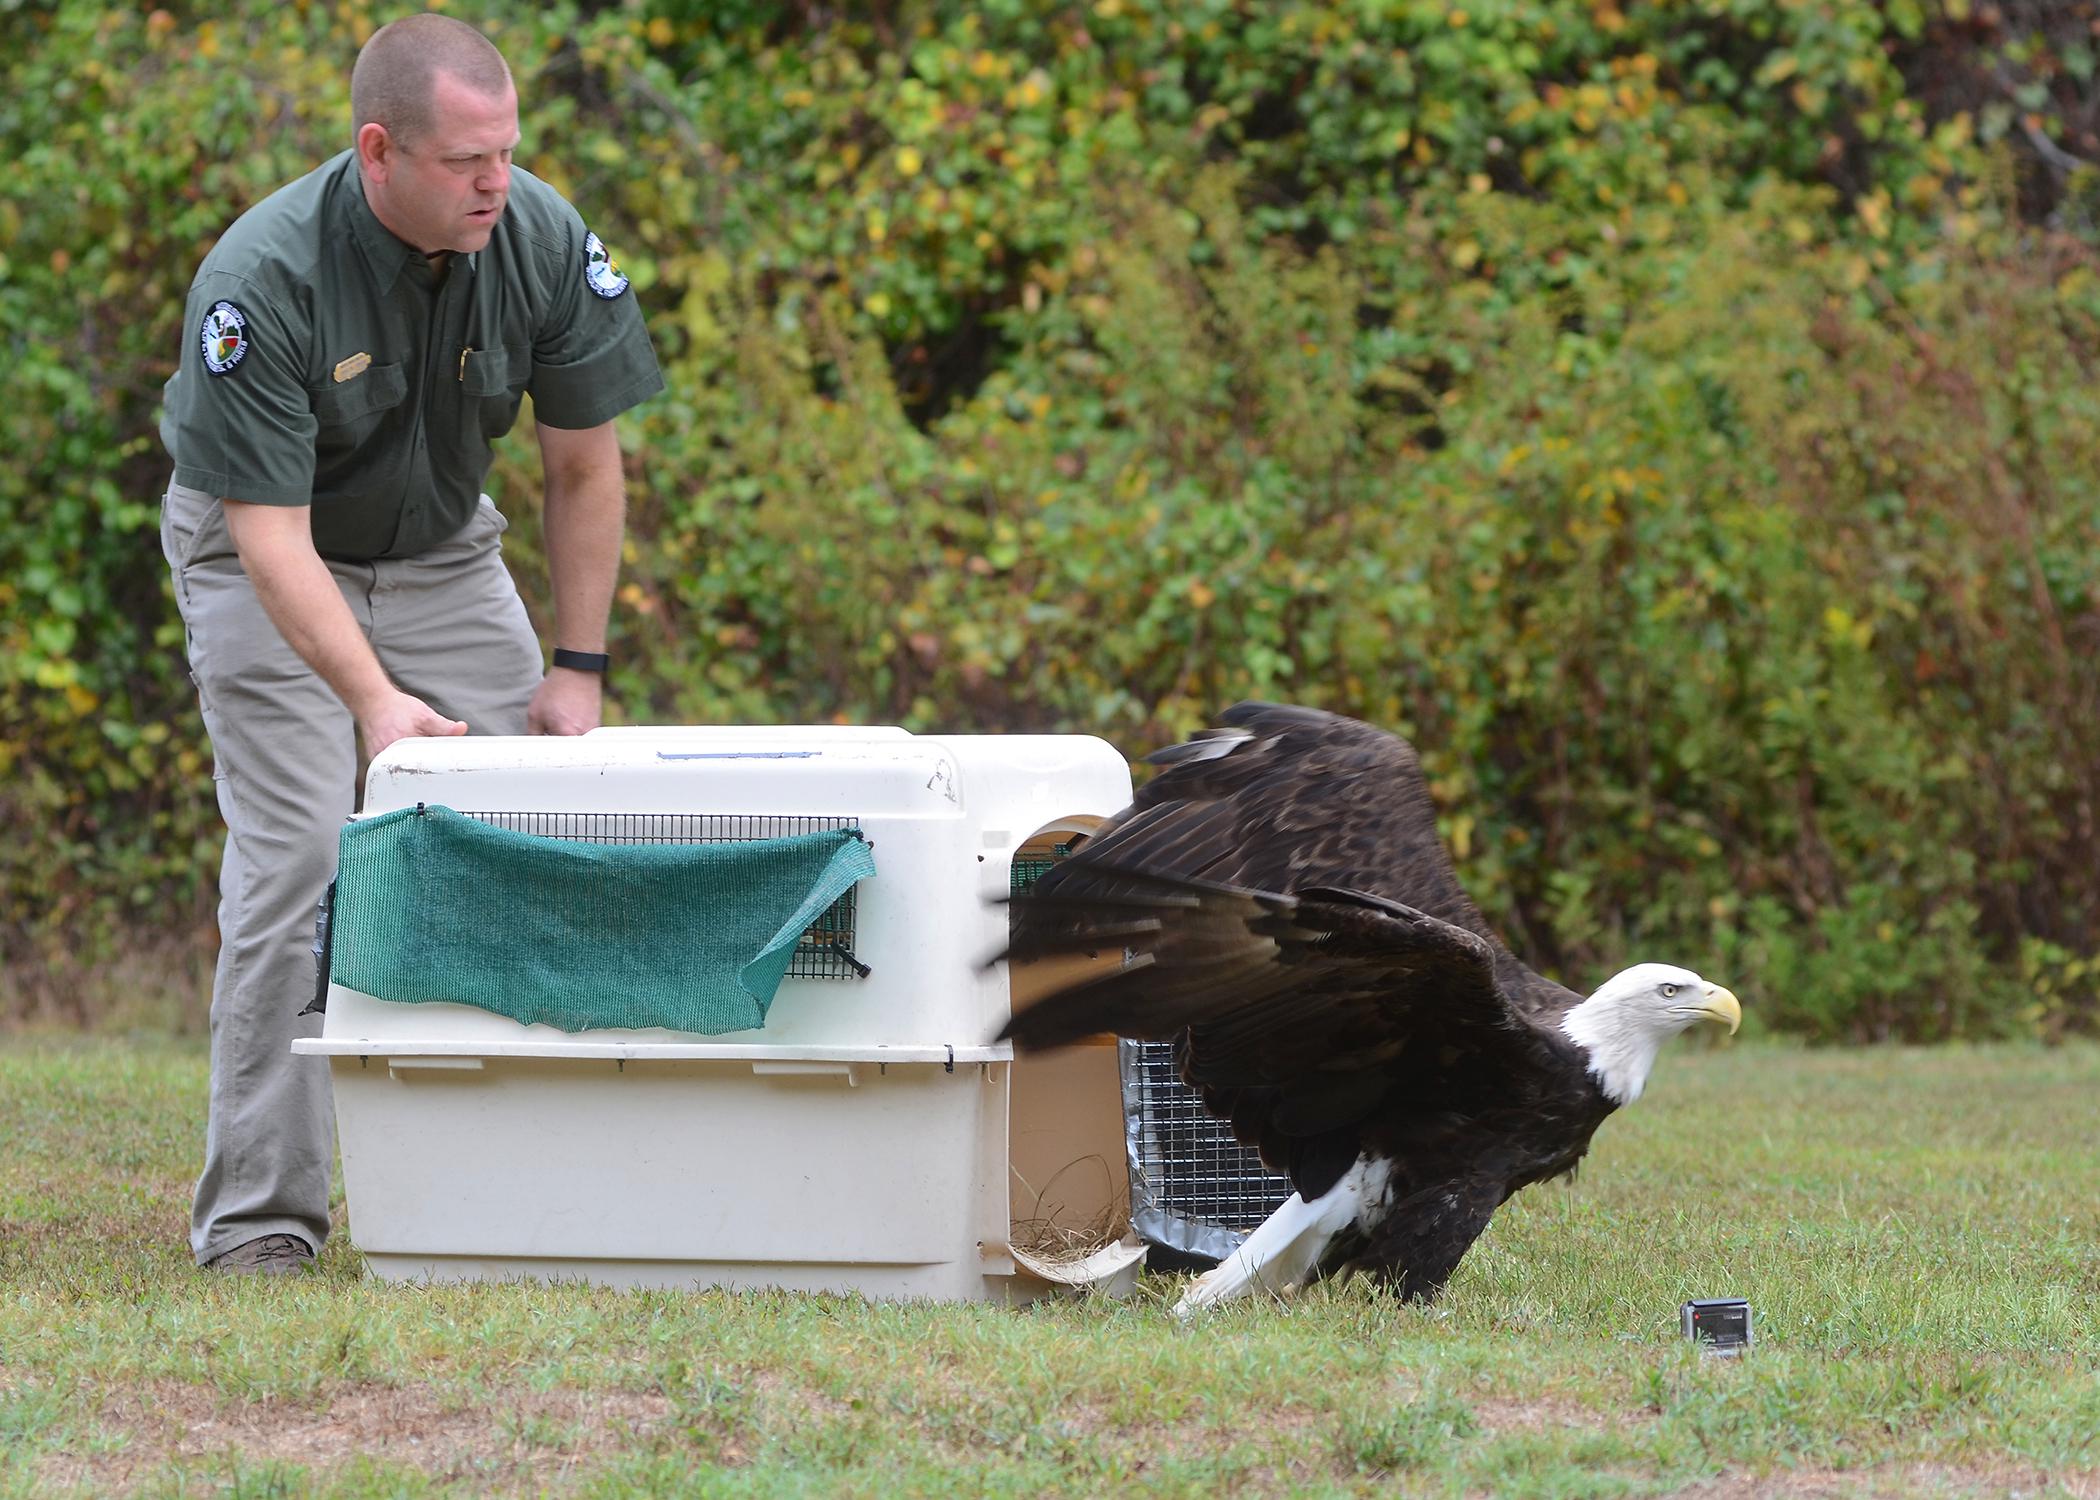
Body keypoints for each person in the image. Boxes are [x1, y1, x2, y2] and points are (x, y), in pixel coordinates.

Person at [157, 13, 664, 1274]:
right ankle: (262, 1224)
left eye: (507, 152)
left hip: (441, 552)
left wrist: (578, 671)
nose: (497, 182)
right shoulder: (261, 276)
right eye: (465, 162)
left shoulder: (538, 236)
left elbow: (585, 465)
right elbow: (269, 539)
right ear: (379, 151)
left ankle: (516, 1202)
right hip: (265, 561)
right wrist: (376, 705)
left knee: (532, 840)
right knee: (297, 863)